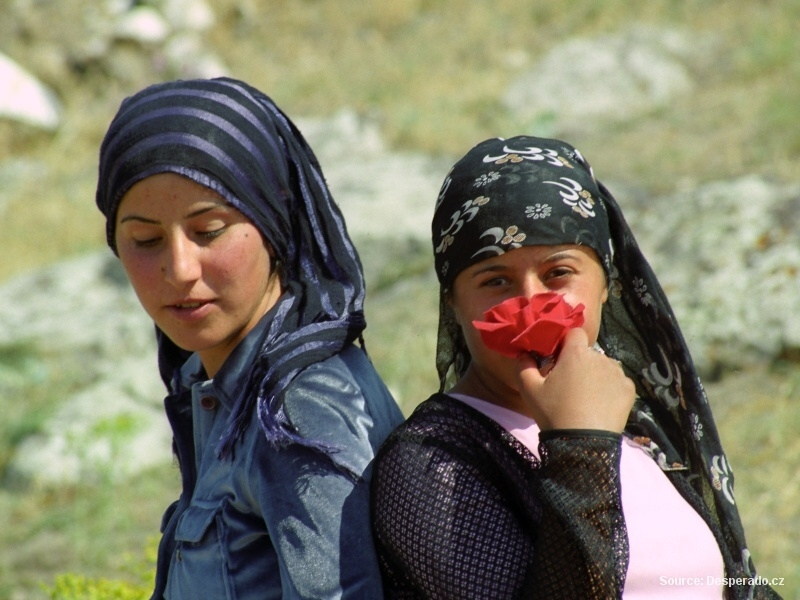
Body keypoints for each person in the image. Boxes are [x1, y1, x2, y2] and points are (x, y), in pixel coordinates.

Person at [371, 136, 781, 599]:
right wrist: (581, 444)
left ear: (606, 284)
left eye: (558, 273)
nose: (531, 304)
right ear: (454, 303)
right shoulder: (430, 463)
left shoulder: (634, 420)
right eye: (495, 280)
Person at [95, 77, 404, 599]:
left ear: (273, 221)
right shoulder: (219, 382)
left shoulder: (299, 410)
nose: (180, 268)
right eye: (145, 240)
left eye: (209, 230)